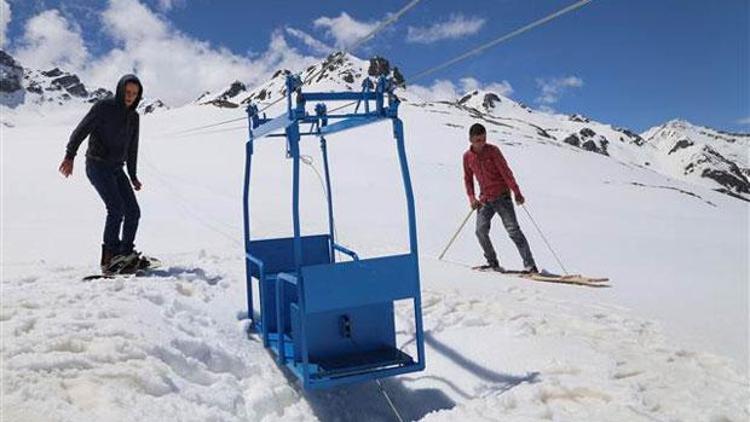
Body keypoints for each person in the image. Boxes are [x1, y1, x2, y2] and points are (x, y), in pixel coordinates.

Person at [58, 74, 145, 274]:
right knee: (116, 208)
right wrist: (69, 156)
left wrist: (132, 176)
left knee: (133, 211)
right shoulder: (103, 108)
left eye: (134, 94)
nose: (130, 97)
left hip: (117, 168)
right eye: (127, 92)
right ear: (120, 90)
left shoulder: (134, 117)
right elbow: (81, 130)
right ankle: (109, 258)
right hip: (97, 165)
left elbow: (132, 148)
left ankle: (126, 254)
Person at [463, 123, 538, 273]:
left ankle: (530, 266)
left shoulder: (493, 151)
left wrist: (516, 192)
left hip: (502, 196)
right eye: (478, 140)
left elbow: (506, 172)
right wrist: (472, 198)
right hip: (484, 199)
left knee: (513, 231)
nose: (481, 143)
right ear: (470, 139)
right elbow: (468, 179)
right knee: (480, 231)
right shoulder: (467, 157)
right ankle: (492, 263)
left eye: (483, 139)